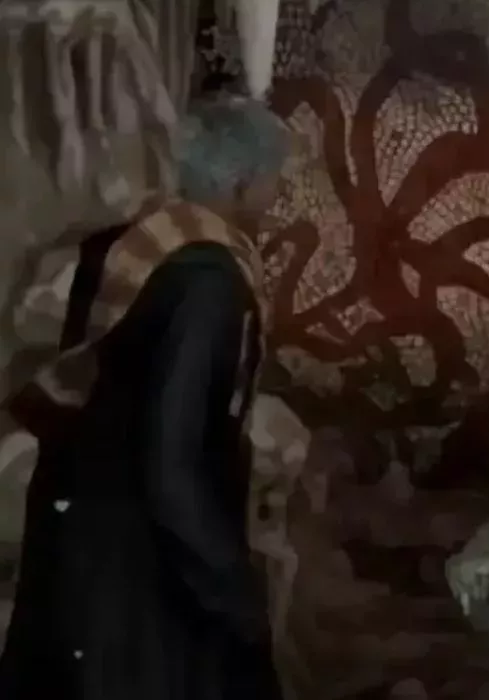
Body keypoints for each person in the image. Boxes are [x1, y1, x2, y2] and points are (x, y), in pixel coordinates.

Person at [0, 94, 292, 700]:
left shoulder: (132, 243)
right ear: (241, 184)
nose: (278, 192)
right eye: (273, 178)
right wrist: (231, 590)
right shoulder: (210, 285)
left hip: (81, 527)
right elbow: (172, 462)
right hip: (140, 563)